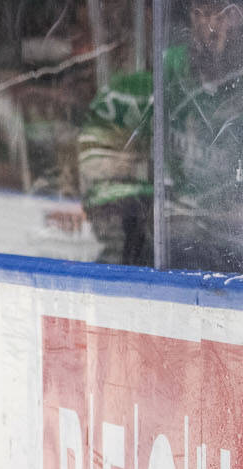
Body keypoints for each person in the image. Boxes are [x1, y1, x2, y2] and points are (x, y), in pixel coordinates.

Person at [78, 0, 243, 270]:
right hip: (176, 241)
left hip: (228, 250)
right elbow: (107, 147)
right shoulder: (169, 69)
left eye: (222, 16)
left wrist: (208, 216)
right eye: (199, 12)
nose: (209, 25)